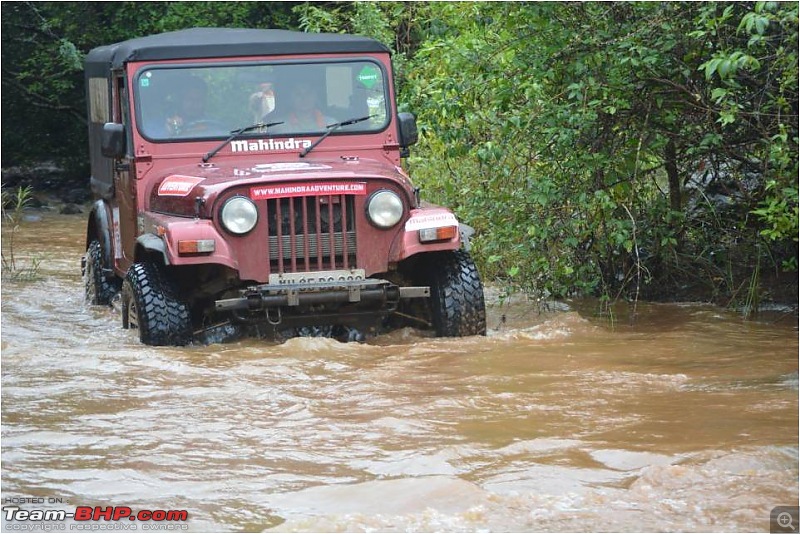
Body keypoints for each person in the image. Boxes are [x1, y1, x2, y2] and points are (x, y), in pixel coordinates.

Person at [270, 80, 335, 133]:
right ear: (291, 99)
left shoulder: (332, 124)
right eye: (298, 94)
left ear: (315, 97)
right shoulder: (277, 126)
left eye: (308, 93)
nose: (304, 98)